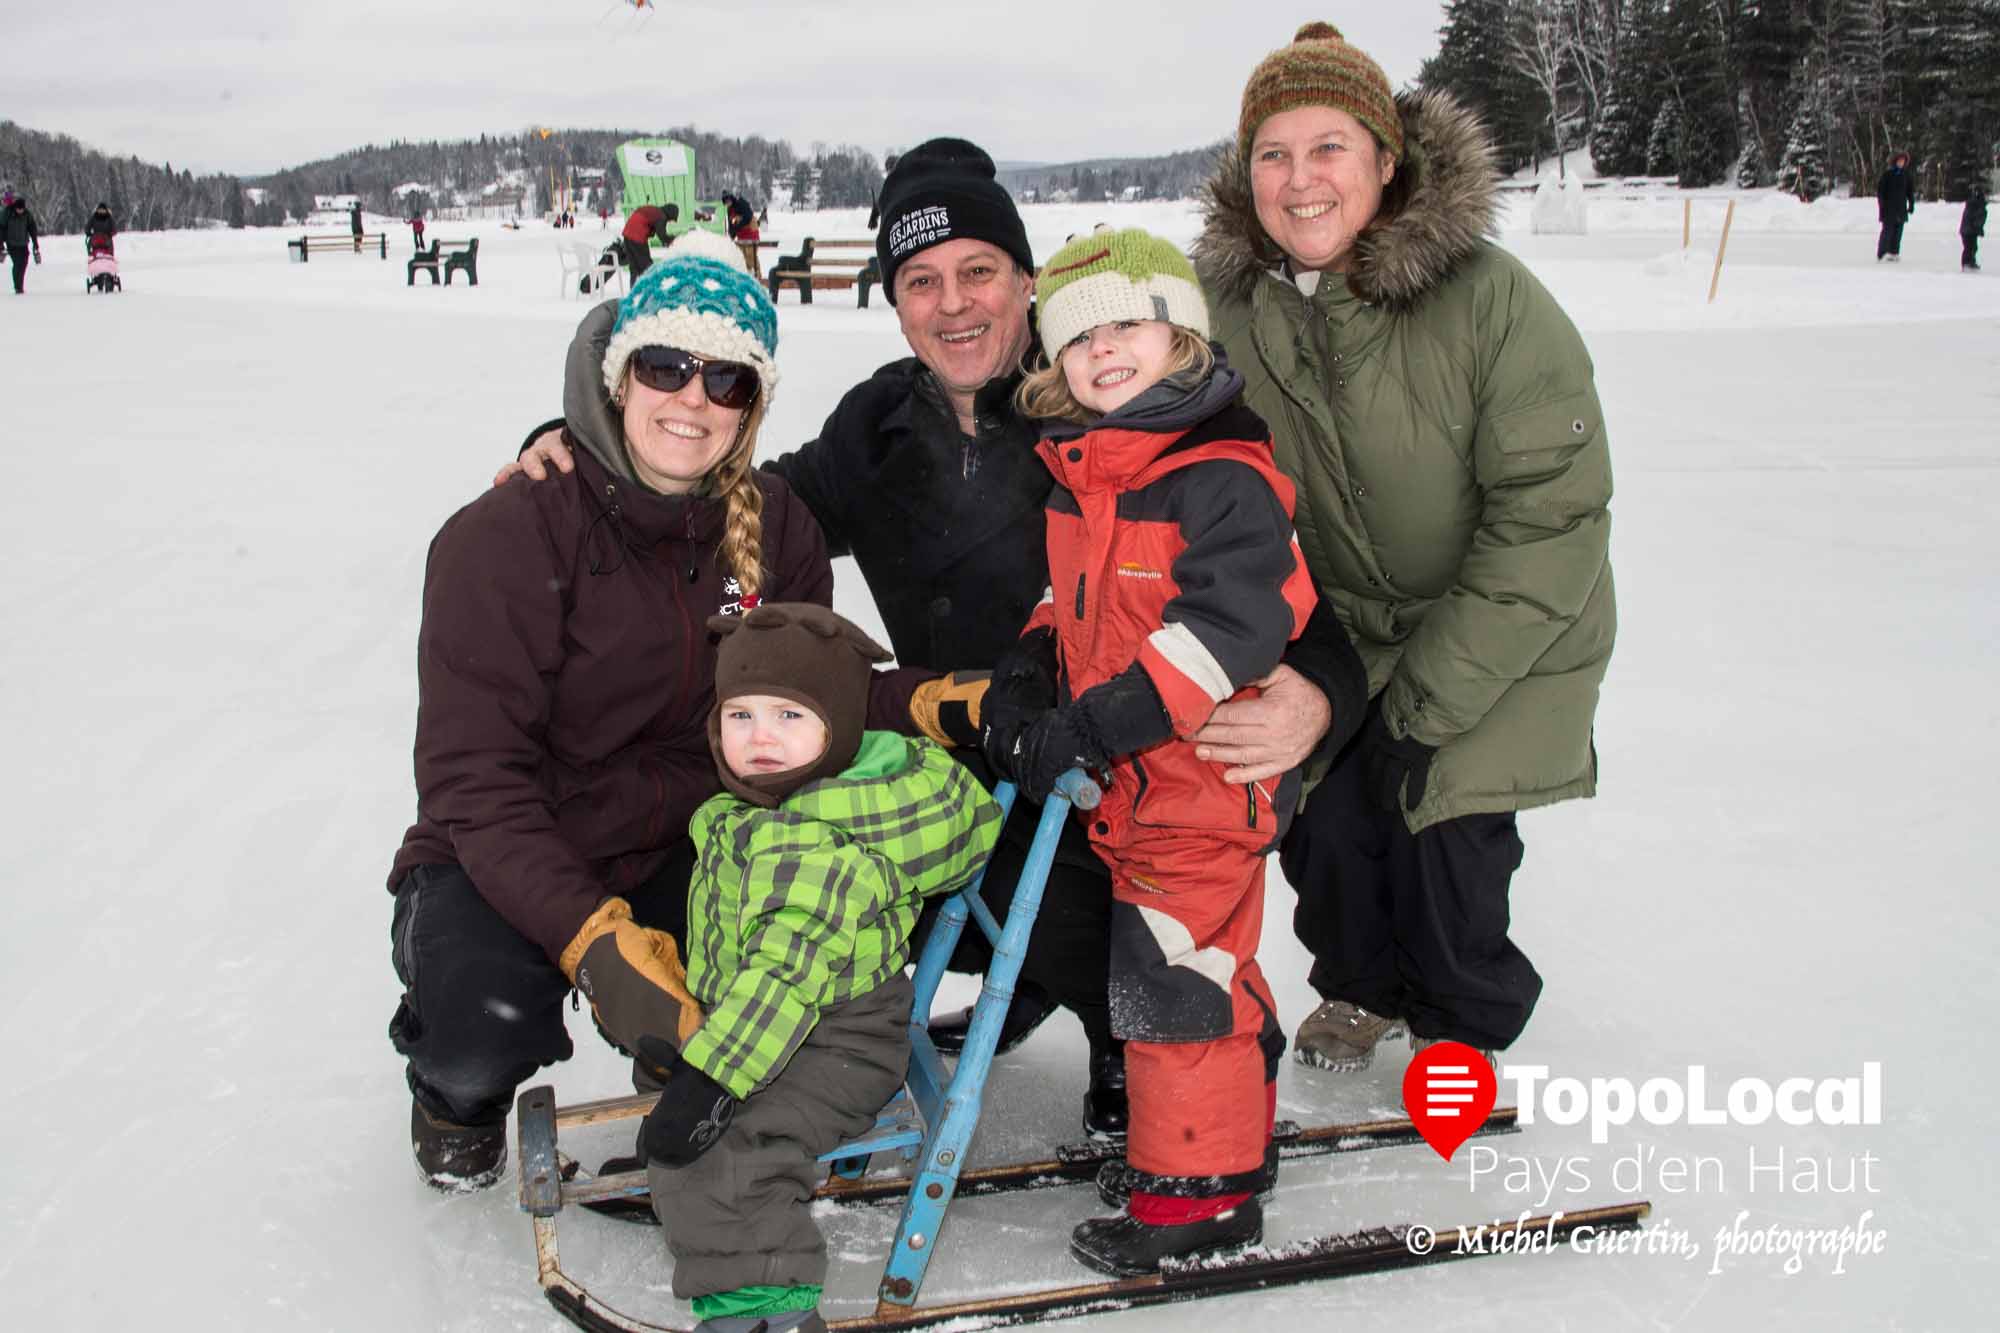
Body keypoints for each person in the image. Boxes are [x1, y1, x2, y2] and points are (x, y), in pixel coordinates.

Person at [498, 138, 1355, 1145]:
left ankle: (1153, 1043)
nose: (952, 306)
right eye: (920, 281)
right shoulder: (875, 426)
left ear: (1025, 284)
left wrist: (1320, 684)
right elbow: (747, 505)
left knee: (1113, 923)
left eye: (978, 273)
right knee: (818, 864)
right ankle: (834, 1043)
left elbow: (1263, 572)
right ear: (896, 303)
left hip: (1122, 764)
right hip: (971, 755)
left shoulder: (1120, 395)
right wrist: (588, 451)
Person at [385, 231, 932, 1191]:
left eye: (726, 380)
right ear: (619, 375)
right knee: (483, 1020)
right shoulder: (505, 536)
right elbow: (474, 781)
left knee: (791, 949)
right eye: (666, 365)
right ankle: (453, 1096)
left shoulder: (778, 527)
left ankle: (702, 1084)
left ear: (752, 405)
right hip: (516, 843)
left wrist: (928, 701)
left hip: (696, 836)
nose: (692, 398)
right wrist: (594, 940)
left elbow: (812, 710)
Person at [1192, 22, 1615, 1072]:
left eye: (1328, 147)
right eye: (1272, 154)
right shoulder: (1229, 310)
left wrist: (1426, 700)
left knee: (1442, 836)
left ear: (1385, 161)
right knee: (1323, 827)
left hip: (1505, 625)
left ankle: (1463, 1019)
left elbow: (1550, 516)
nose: (1300, 182)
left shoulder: (1488, 298)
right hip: (1341, 631)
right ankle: (1359, 985)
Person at [986, 227, 1342, 1276]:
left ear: (1179, 333)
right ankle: (1232, 1129)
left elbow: (1229, 625)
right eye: (1077, 337)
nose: (1104, 351)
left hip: (1193, 782)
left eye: (1128, 325)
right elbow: (1075, 599)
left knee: (1171, 989)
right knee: (1200, 970)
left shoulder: (1216, 476)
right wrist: (1028, 664)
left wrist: (1101, 722)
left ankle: (1198, 1200)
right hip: (1130, 788)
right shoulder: (1083, 475)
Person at [635, 602, 1001, 1333]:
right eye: (740, 716)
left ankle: (763, 1305)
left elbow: (784, 975)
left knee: (734, 1144)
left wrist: (715, 1074)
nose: (761, 737)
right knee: (688, 1092)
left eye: (789, 716)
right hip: (793, 1017)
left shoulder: (817, 847)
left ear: (839, 728)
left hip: (837, 1038)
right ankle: (712, 1204)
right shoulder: (779, 804)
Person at [621, 202, 679, 278]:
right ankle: (650, 288)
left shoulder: (653, 210)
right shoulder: (661, 215)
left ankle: (635, 289)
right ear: (670, 214)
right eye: (670, 219)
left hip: (627, 236)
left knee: (634, 267)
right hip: (638, 237)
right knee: (647, 267)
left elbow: (648, 226)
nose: (668, 221)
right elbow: (662, 236)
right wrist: (675, 240)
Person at [1877, 152, 1916, 262]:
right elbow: (1881, 192)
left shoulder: (1906, 175)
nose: (1901, 163)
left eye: (1903, 161)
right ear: (1895, 161)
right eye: (1899, 161)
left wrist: (1911, 204)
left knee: (1898, 233)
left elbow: (1910, 192)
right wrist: (1882, 206)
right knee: (1887, 232)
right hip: (1889, 209)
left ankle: (1894, 252)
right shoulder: (1887, 174)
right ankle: (1883, 253)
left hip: (1901, 209)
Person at [5, 194, 41, 294]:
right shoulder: (8, 215)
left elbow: (32, 228)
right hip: (11, 244)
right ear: (15, 208)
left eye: (22, 209)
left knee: (24, 264)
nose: (20, 211)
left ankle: (20, 284)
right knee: (17, 264)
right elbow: (2, 229)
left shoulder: (27, 215)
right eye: (19, 209)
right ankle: (18, 287)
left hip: (23, 243)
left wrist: (35, 243)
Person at [1961, 183, 1986, 273]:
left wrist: (1978, 228)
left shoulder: (1976, 204)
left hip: (1969, 230)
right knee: (1970, 247)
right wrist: (1977, 228)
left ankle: (1970, 262)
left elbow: (1978, 219)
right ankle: (1967, 263)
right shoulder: (1975, 205)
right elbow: (1976, 218)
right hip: (1968, 230)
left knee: (1972, 247)